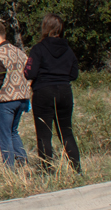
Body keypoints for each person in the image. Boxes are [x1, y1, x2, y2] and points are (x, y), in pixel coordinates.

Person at [24, 14, 81, 173]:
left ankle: (47, 172)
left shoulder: (38, 49)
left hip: (44, 92)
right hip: (64, 91)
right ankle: (77, 170)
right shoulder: (68, 50)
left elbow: (30, 73)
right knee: (66, 133)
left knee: (44, 135)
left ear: (45, 27)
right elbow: (74, 74)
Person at [0, 21, 31, 171]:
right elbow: (29, 74)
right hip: (22, 100)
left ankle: (9, 170)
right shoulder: (20, 52)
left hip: (5, 101)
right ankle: (23, 163)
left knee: (4, 136)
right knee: (13, 132)